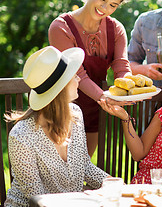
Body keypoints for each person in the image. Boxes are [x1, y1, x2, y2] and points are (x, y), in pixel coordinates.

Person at [4, 46, 110, 207]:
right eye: (74, 76)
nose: (79, 80)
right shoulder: (21, 136)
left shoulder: (75, 114)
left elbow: (84, 166)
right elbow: (37, 198)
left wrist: (119, 186)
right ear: (60, 89)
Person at [48, 0, 135, 156]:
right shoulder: (61, 27)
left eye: (113, 5)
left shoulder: (116, 29)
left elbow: (121, 67)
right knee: (63, 171)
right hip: (64, 108)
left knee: (83, 165)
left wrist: (128, 90)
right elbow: (77, 73)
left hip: (96, 108)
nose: (104, 8)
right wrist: (105, 97)